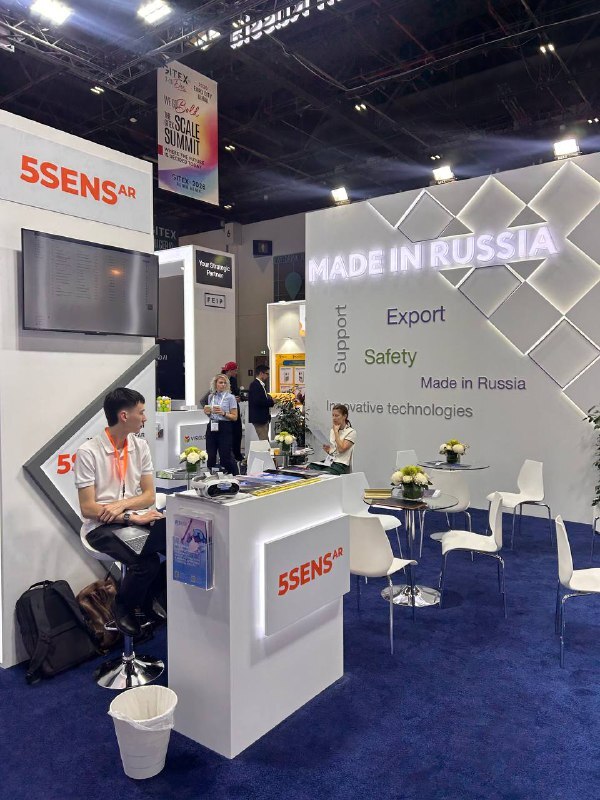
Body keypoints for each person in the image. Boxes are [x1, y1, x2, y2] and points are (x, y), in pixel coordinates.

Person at [74, 388, 166, 637]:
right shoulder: (88, 452)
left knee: (176, 545)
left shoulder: (140, 446)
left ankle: (148, 599)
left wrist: (123, 505)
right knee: (146, 564)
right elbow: (89, 508)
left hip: (136, 518)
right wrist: (130, 516)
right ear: (124, 416)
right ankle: (123, 605)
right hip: (101, 527)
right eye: (141, 412)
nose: (145, 418)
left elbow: (149, 495)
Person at [203, 374, 239, 475]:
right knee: (210, 454)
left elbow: (235, 417)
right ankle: (212, 476)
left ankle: (235, 475)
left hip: (225, 426)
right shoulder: (211, 396)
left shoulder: (230, 397)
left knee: (225, 455)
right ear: (216, 384)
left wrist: (223, 413)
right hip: (212, 425)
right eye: (220, 383)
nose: (223, 385)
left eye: (224, 383)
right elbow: (211, 414)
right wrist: (207, 413)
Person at [309, 404, 356, 475]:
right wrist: (328, 451)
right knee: (310, 467)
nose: (334, 418)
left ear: (344, 416)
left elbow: (341, 449)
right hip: (330, 461)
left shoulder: (351, 432)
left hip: (341, 464)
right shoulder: (332, 430)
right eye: (333, 415)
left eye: (337, 416)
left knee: (325, 473)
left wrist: (336, 432)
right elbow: (334, 452)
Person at [222, 361, 243, 461]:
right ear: (230, 370)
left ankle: (237, 454)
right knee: (228, 434)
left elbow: (235, 392)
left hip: (235, 409)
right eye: (235, 370)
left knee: (237, 432)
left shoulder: (233, 380)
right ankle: (228, 456)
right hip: (226, 411)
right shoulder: (221, 380)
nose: (236, 373)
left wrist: (238, 398)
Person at [248, 364, 274, 441]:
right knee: (264, 441)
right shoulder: (255, 385)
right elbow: (258, 401)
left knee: (265, 440)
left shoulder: (260, 385)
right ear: (261, 373)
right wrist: (271, 401)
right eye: (267, 373)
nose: (268, 376)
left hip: (263, 418)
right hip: (259, 419)